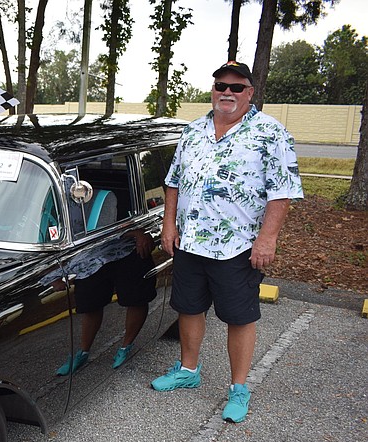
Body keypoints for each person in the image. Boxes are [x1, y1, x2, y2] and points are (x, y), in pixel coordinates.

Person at [151, 61, 303, 423]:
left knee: (239, 316)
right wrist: (168, 225)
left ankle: (238, 388)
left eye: (236, 87)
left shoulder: (271, 132)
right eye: (221, 85)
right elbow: (173, 183)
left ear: (250, 92)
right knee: (189, 308)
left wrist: (267, 239)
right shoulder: (193, 131)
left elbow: (282, 192)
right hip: (190, 242)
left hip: (237, 246)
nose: (227, 93)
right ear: (213, 90)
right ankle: (188, 371)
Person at [56, 229, 158, 375]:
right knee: (90, 304)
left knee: (136, 298)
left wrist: (138, 232)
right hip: (89, 253)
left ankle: (126, 346)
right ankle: (83, 352)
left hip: (127, 247)